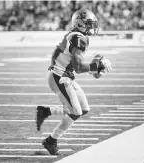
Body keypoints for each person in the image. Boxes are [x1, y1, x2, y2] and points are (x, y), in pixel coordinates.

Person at [35, 8, 112, 155]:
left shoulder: (78, 36)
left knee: (83, 109)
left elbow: (85, 70)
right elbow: (78, 67)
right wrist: (98, 65)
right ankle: (51, 140)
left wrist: (98, 69)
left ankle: (46, 111)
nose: (92, 26)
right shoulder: (78, 37)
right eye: (89, 23)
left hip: (65, 76)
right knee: (75, 111)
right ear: (81, 23)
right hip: (59, 76)